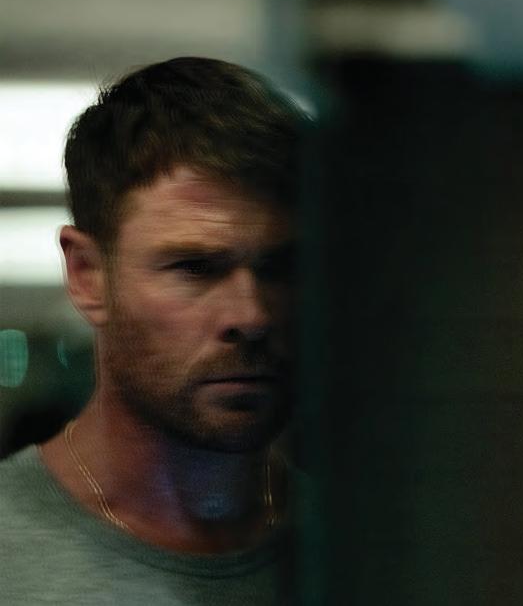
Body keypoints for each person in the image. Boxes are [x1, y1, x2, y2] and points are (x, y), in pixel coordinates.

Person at [0, 56, 304, 604]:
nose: (252, 315)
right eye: (195, 268)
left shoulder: (379, 547)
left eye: (279, 268)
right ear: (88, 276)